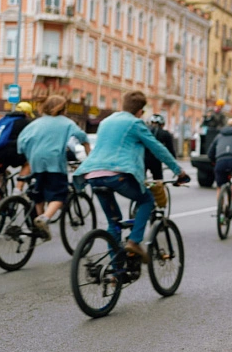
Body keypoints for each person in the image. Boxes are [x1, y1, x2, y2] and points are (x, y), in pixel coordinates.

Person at [74, 92, 188, 263]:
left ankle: (115, 271)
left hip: (92, 174)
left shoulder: (106, 121)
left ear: (123, 105)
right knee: (147, 200)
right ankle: (134, 242)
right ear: (141, 111)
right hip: (116, 174)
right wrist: (178, 171)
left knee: (114, 224)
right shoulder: (135, 123)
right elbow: (157, 148)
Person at [17, 96, 91, 242]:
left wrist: (28, 154)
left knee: (39, 194)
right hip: (54, 161)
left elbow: (22, 141)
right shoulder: (67, 122)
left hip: (36, 160)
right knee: (59, 195)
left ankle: (40, 223)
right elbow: (83, 138)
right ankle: (44, 218)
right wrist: (89, 160)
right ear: (62, 108)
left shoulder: (36, 122)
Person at [0, 101, 34, 207]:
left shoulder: (3, 120)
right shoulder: (25, 123)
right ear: (26, 113)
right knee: (28, 164)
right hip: (9, 153)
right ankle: (18, 190)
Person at [144, 114, 176, 181]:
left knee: (141, 181)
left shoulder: (144, 132)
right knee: (158, 181)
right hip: (156, 160)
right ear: (162, 124)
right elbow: (170, 149)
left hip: (143, 159)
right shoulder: (165, 133)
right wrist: (174, 161)